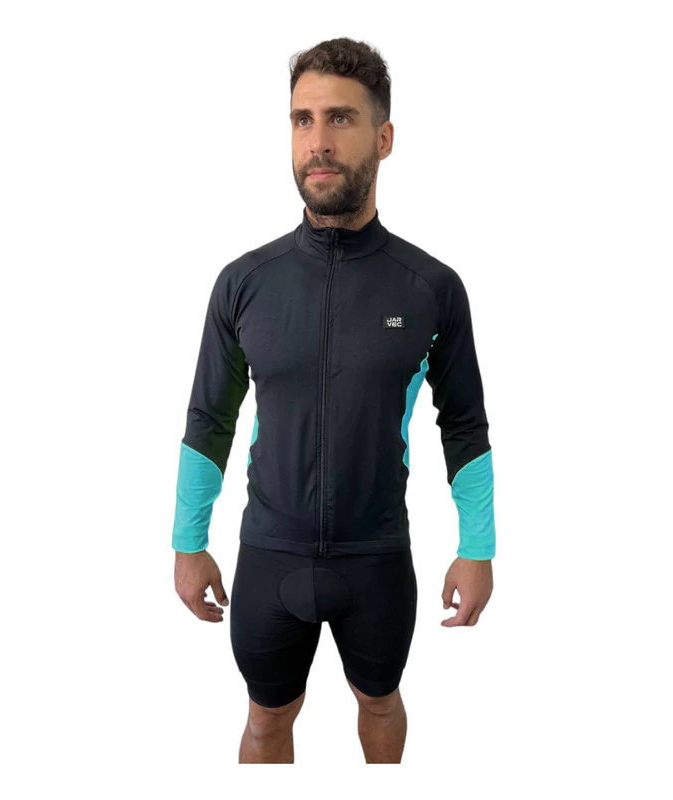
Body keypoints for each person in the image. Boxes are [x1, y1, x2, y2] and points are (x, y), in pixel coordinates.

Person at [171, 37, 496, 764]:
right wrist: (188, 543)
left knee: (380, 703)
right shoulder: (243, 283)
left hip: (376, 558)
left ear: (384, 137)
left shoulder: (431, 288)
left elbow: (465, 425)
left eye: (340, 118)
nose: (317, 141)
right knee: (264, 721)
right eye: (302, 119)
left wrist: (478, 549)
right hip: (270, 555)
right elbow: (209, 419)